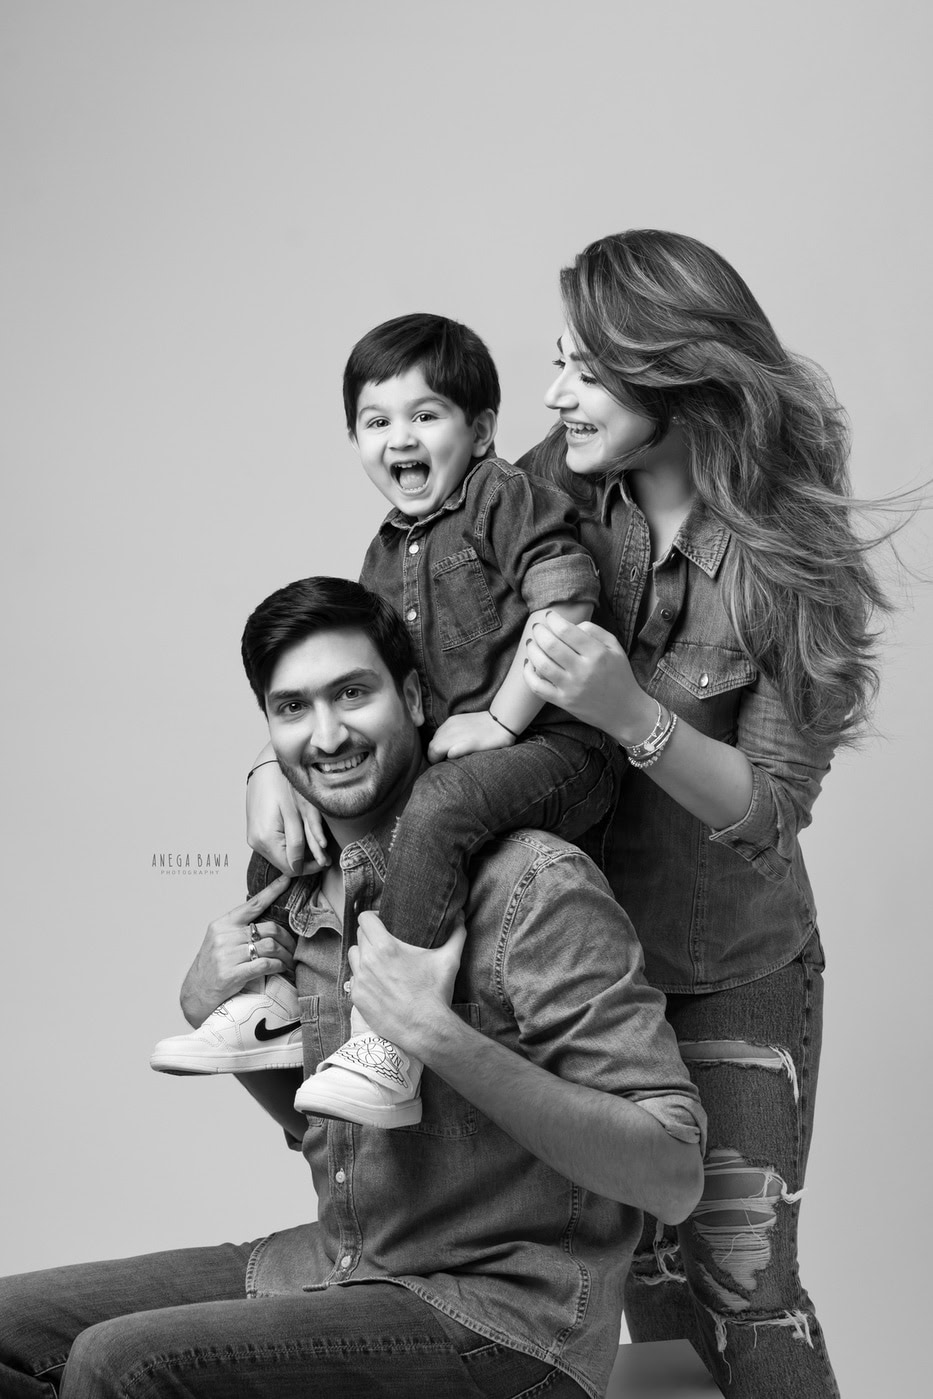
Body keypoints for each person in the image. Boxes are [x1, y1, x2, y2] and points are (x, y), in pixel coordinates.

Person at [0, 577, 706, 1399]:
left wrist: (435, 1034)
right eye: (292, 707)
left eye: (352, 694)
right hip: (335, 1263)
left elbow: (671, 1173)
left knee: (123, 1366)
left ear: (410, 697)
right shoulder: (301, 891)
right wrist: (214, 1017)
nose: (326, 733)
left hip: (507, 1320)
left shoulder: (532, 885)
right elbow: (336, 1137)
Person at [513, 229, 890, 1399]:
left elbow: (773, 811)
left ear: (673, 374)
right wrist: (274, 761)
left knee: (744, 1290)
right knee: (644, 1290)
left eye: (584, 368)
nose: (555, 392)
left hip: (735, 970)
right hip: (589, 972)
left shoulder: (789, 560)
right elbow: (417, 602)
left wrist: (634, 715)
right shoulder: (566, 493)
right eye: (556, 361)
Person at [151, 313, 621, 1130]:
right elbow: (370, 675)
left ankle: (389, 1038)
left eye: (424, 415)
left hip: (559, 748)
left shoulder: (500, 496)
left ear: (479, 431)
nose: (399, 437)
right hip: (468, 757)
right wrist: (277, 761)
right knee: (304, 820)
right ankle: (271, 1002)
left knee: (436, 808)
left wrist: (503, 724)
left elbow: (567, 599)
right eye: (376, 422)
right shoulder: (385, 550)